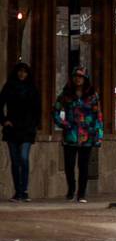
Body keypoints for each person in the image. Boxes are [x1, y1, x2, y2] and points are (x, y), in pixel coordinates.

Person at [53, 66, 104, 203]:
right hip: (70, 135)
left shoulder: (92, 95)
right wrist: (63, 124)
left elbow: (98, 116)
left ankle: (81, 194)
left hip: (87, 136)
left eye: (81, 77)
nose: (78, 79)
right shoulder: (66, 94)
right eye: (76, 76)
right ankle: (71, 189)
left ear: (85, 79)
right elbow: (56, 111)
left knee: (84, 166)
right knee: (69, 165)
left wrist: (99, 135)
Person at [0, 63, 41, 201]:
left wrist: (35, 125)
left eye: (24, 72)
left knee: (23, 157)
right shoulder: (9, 87)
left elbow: (37, 109)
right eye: (20, 71)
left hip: (27, 129)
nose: (22, 74)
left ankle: (24, 189)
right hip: (12, 128)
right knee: (15, 160)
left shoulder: (32, 89)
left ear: (28, 74)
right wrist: (4, 120)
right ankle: (18, 191)